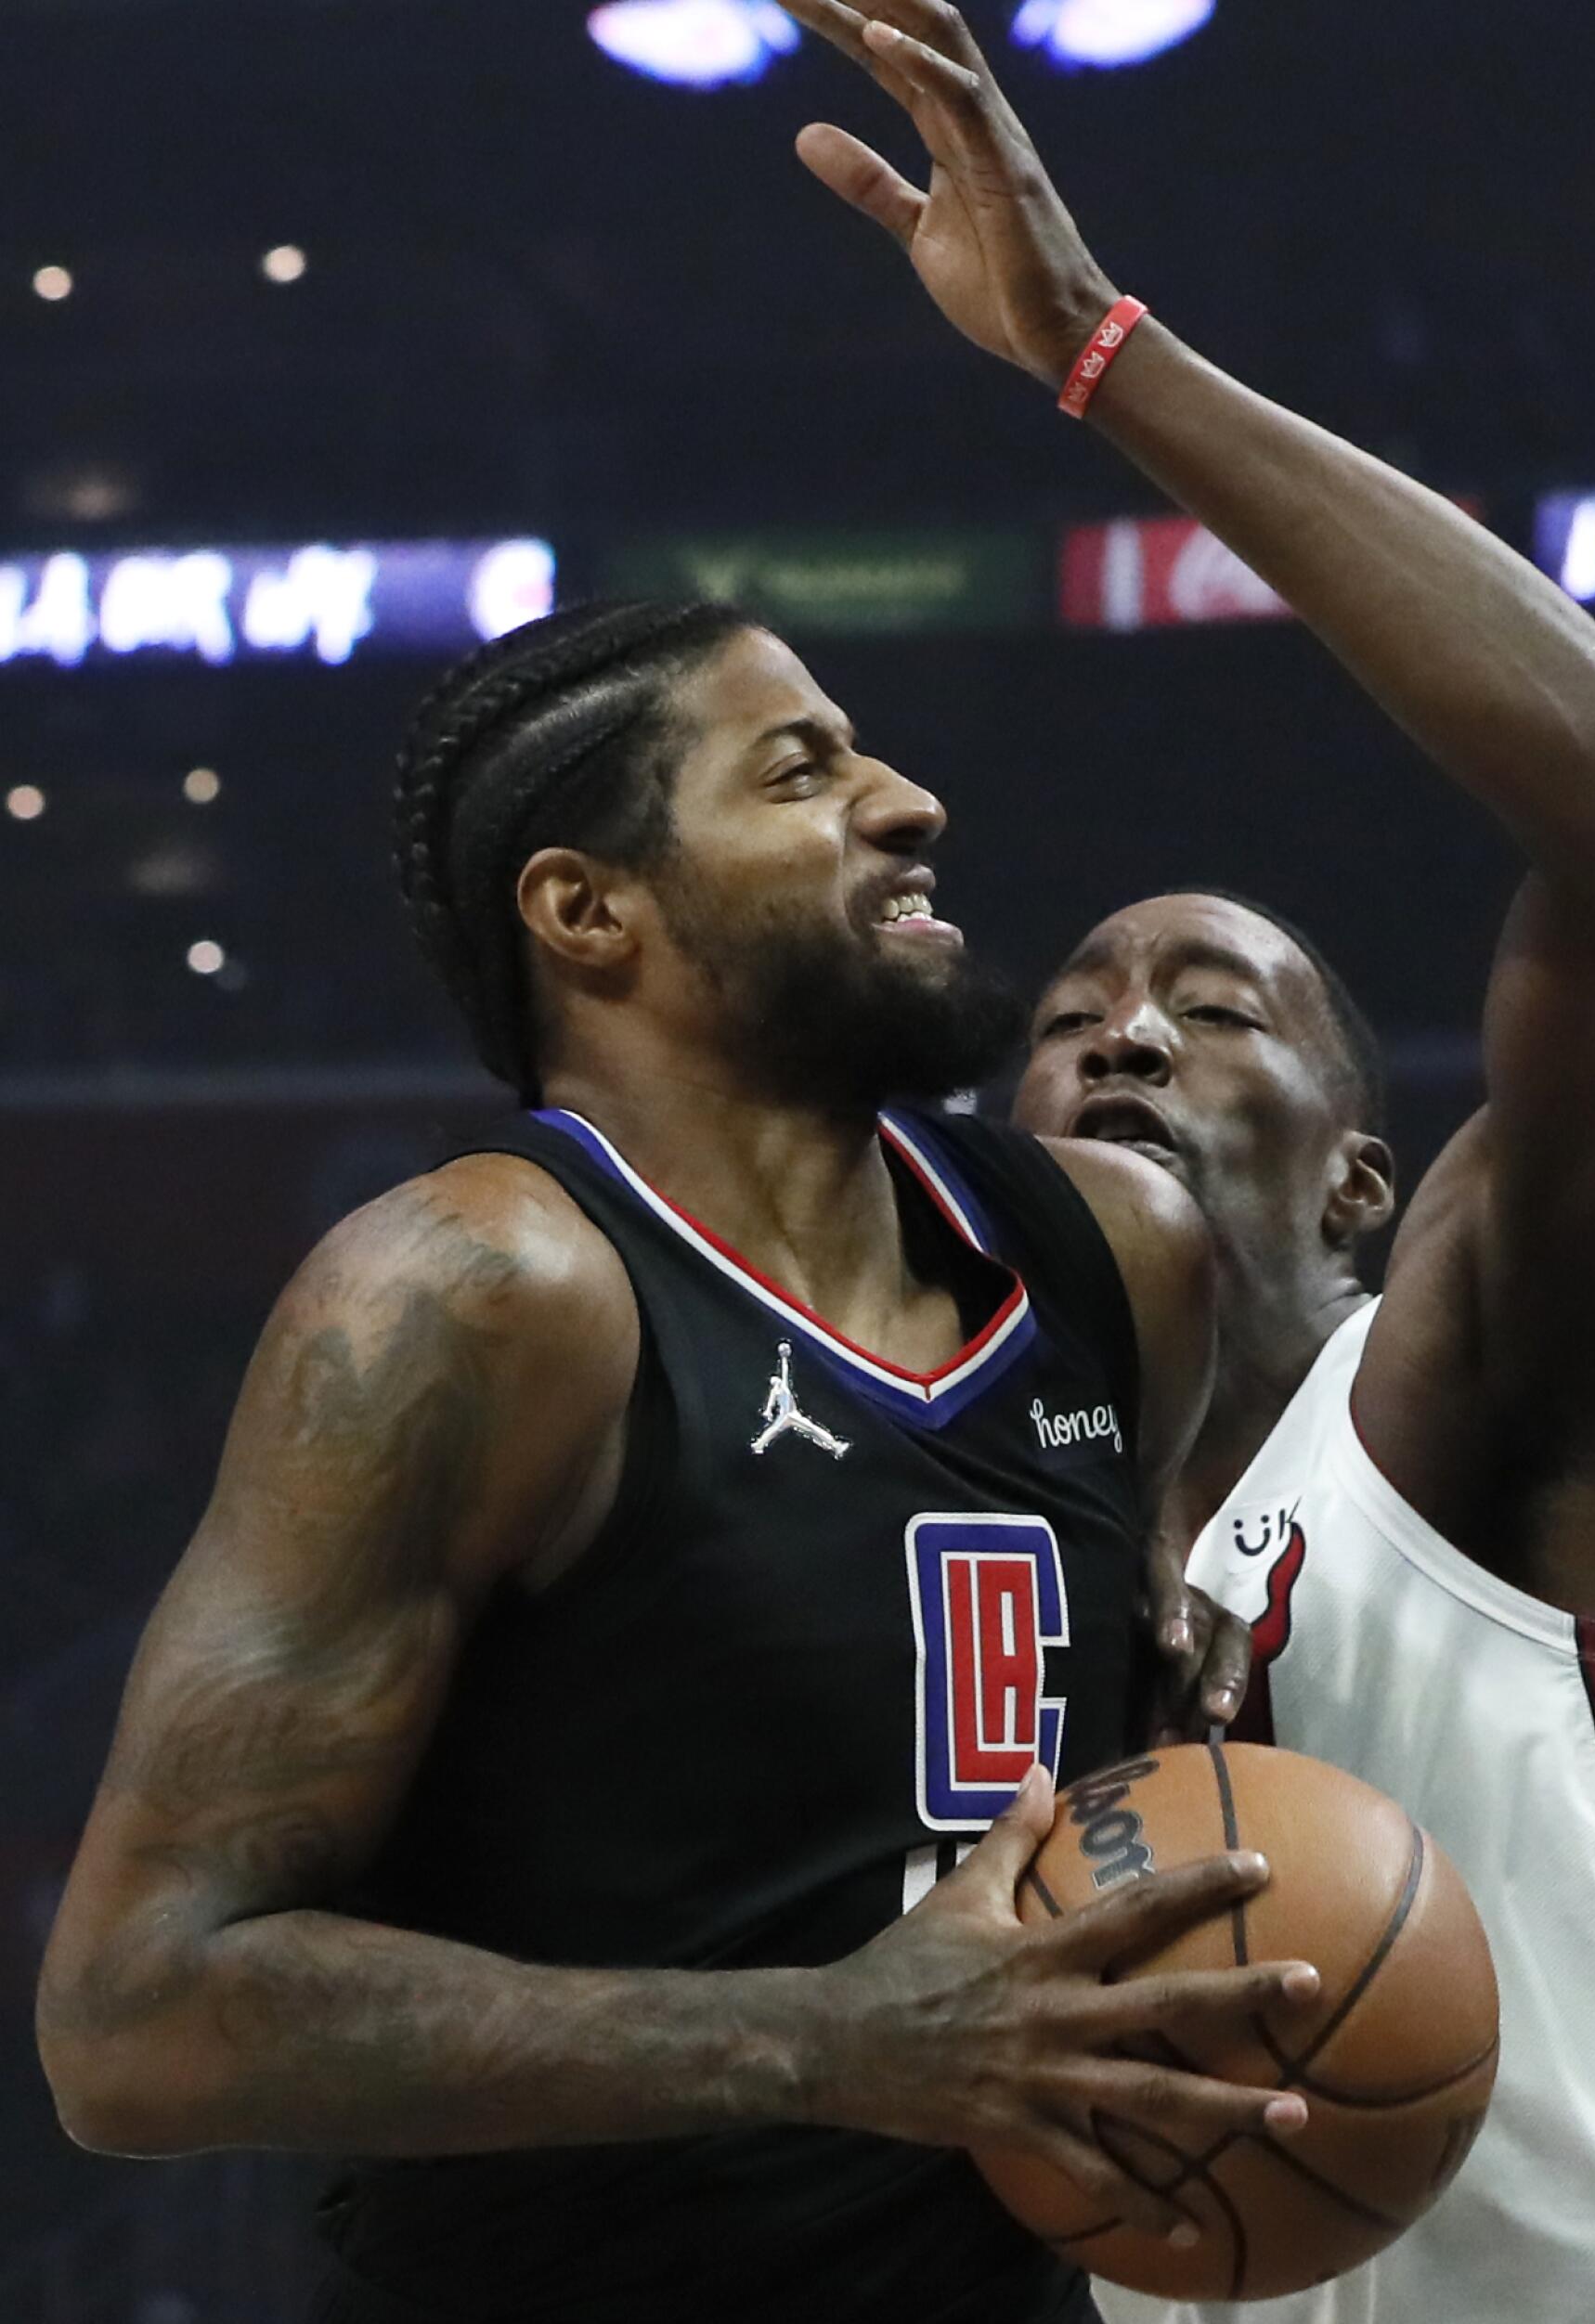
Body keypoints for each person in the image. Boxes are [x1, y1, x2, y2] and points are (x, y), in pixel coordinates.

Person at [751, 0, 1595, 2309]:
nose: (1120, 1029)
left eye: (1209, 1006)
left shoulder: (1459, 1392)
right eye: (1061, 1025)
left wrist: (1097, 357)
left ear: (1364, 1188)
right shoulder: (983, 1571)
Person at [34, 593, 1310, 2324]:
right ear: (587, 909)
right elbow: (136, 2017)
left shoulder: (1120, 1254)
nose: (909, 799)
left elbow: (1091, 1654)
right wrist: (830, 2042)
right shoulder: (482, 1294)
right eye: (802, 772)